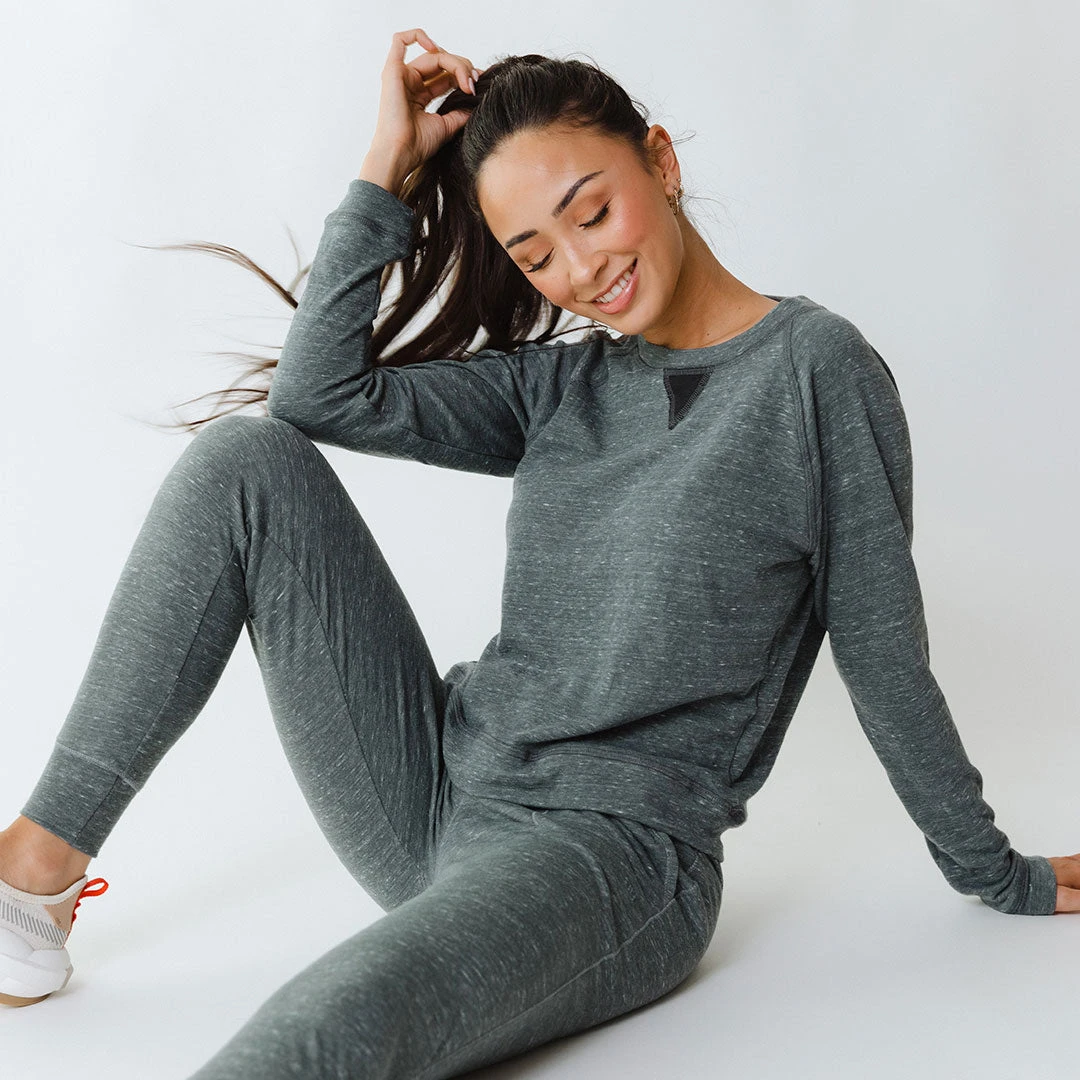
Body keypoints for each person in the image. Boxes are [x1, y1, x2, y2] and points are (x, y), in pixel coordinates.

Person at [1, 26, 1078, 1079]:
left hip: (610, 855)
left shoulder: (813, 372)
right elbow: (316, 397)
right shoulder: (565, 385)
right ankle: (31, 881)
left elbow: (883, 654)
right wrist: (385, 168)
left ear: (660, 161)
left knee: (319, 1032)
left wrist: (993, 871)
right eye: (535, 256)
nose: (582, 268)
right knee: (243, 461)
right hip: (430, 787)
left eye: (592, 212)